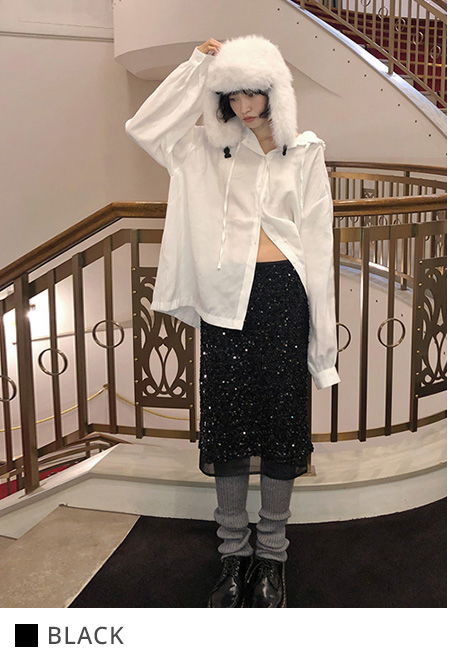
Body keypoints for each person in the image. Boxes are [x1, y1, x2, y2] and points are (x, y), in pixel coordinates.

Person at [125, 34, 340, 608]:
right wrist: (198, 67)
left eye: (253, 94)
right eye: (233, 96)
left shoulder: (306, 151)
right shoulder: (202, 148)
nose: (244, 107)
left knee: (281, 424)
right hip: (226, 305)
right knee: (229, 426)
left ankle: (272, 555)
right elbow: (144, 126)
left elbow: (318, 243)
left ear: (276, 93)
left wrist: (323, 339)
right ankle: (232, 552)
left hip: (284, 296)